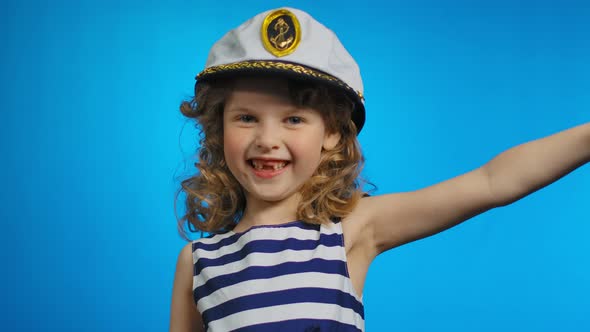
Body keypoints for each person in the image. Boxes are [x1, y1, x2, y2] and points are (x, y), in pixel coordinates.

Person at [169, 7, 589, 332]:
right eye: (246, 118)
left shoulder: (351, 231)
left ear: (331, 132)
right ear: (217, 127)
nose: (267, 138)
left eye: (294, 119)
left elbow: (492, 182)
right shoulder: (198, 261)